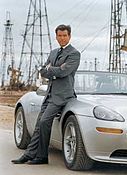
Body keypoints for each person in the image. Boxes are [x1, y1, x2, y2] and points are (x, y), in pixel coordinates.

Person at [11, 24, 80, 165]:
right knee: (39, 125)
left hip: (62, 96)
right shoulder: (54, 52)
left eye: (64, 36)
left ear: (69, 36)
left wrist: (52, 70)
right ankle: (35, 155)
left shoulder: (74, 54)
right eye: (59, 36)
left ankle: (38, 155)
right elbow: (43, 71)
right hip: (49, 94)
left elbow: (63, 72)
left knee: (43, 122)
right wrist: (54, 70)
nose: (62, 38)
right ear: (56, 37)